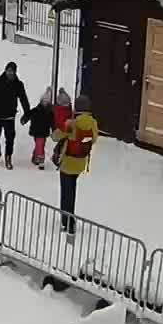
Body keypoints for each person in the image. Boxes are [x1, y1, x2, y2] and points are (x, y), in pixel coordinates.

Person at [57, 93, 99, 238]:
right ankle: (70, 219)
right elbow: (93, 139)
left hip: (67, 162)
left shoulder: (72, 123)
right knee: (72, 191)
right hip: (80, 162)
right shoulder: (92, 122)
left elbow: (56, 135)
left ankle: (67, 222)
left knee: (65, 193)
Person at [0, 62, 32, 169]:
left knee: (10, 138)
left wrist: (27, 114)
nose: (10, 73)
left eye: (12, 71)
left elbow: (23, 99)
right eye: (8, 70)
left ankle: (8, 156)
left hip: (10, 117)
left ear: (15, 72)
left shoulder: (18, 84)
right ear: (5, 70)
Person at [23, 89, 57, 171]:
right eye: (43, 101)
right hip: (36, 131)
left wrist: (54, 130)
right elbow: (29, 114)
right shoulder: (36, 110)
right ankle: (39, 160)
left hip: (44, 132)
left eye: (46, 102)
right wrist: (24, 119)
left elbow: (52, 122)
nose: (45, 103)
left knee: (40, 145)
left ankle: (37, 158)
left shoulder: (50, 112)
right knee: (40, 145)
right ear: (41, 101)